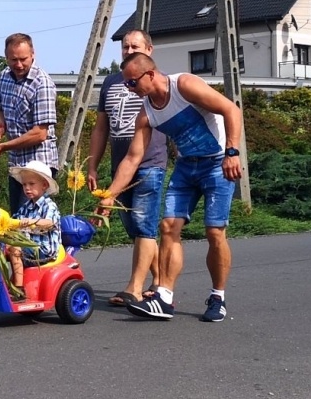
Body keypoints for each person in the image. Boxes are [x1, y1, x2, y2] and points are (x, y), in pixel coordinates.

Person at [99, 52, 244, 323]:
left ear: (150, 74)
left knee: (214, 232)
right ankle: (164, 297)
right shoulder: (147, 112)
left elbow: (231, 110)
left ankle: (218, 297)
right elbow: (132, 159)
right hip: (187, 167)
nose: (130, 90)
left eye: (133, 83)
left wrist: (232, 152)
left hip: (216, 163)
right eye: (127, 85)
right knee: (168, 227)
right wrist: (110, 195)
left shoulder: (184, 85)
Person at [86, 29, 170, 308]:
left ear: (149, 49)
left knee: (144, 225)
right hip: (120, 166)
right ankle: (160, 282)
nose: (128, 49)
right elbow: (100, 128)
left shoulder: (155, 80)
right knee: (134, 227)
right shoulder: (111, 81)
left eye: (134, 45)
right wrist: (93, 166)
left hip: (150, 163)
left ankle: (133, 288)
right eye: (124, 46)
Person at [0, 33, 59, 211]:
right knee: (17, 217)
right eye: (13, 60)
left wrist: (2, 147)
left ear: (33, 54)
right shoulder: (4, 77)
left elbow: (40, 133)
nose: (18, 65)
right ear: (6, 57)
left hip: (39, 162)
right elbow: (0, 108)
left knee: (31, 221)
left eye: (23, 59)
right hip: (17, 163)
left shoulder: (42, 83)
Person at [6, 161, 61, 299]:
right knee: (1, 247)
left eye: (31, 184)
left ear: (44, 185)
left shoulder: (49, 206)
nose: (27, 188)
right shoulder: (26, 206)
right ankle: (4, 283)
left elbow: (49, 223)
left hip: (42, 250)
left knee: (15, 249)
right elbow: (14, 220)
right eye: (24, 185)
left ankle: (19, 290)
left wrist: (31, 222)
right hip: (29, 247)